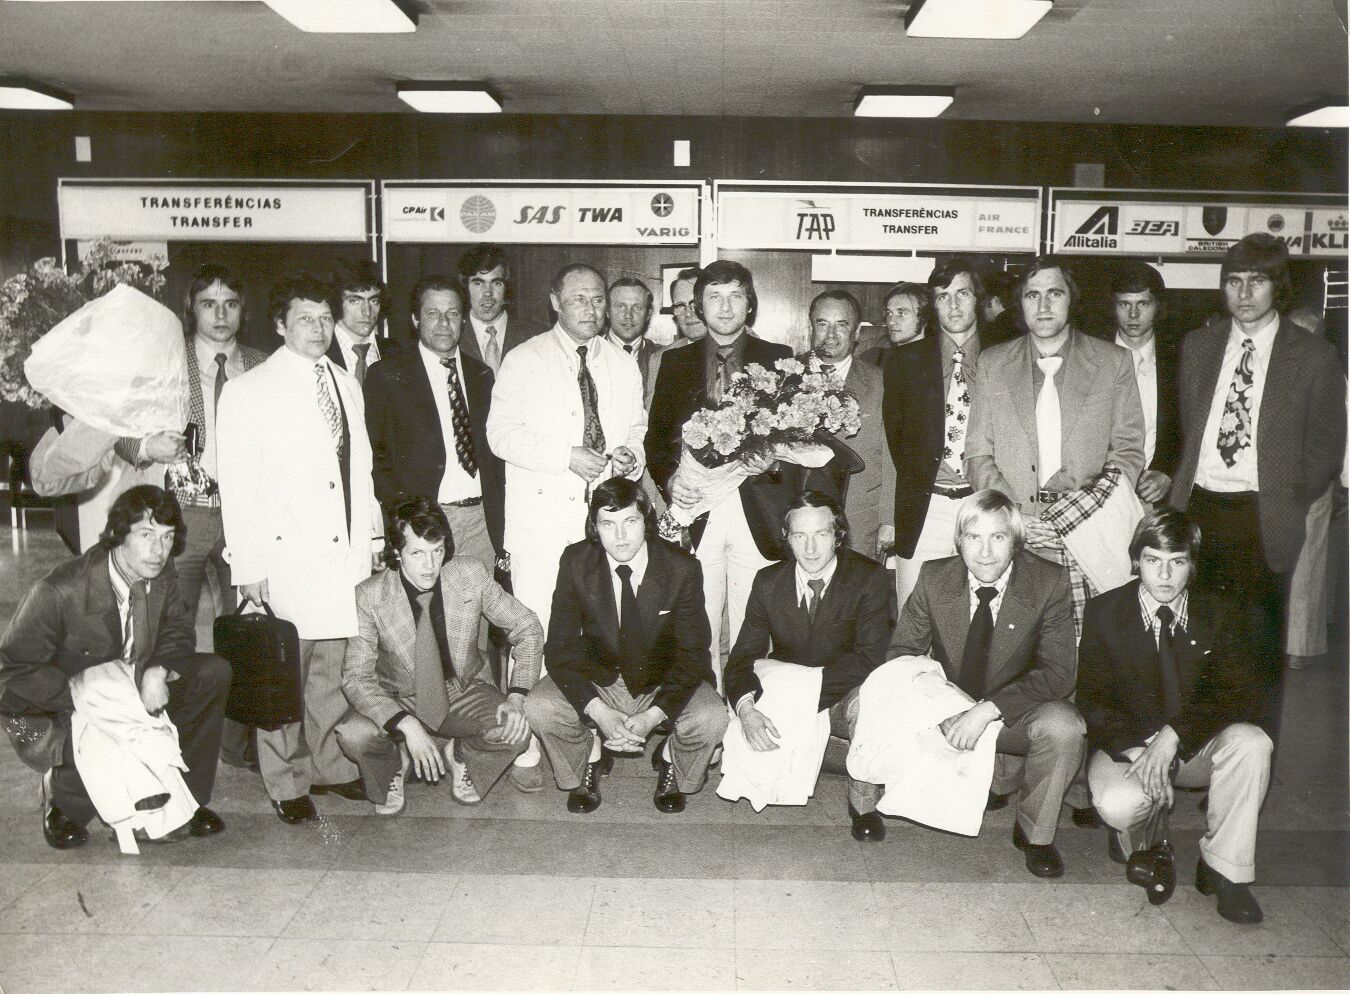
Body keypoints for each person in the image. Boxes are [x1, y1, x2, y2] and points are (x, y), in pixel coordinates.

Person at [217, 275, 384, 824]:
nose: (316, 329)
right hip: (285, 559)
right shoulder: (250, 389)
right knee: (283, 674)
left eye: (323, 319)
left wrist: (373, 540)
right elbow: (237, 485)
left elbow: (360, 473)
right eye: (304, 319)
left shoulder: (346, 382)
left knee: (332, 675)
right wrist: (248, 564)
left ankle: (330, 766)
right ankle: (285, 780)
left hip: (343, 560)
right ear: (280, 325)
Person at [1169, 234, 1345, 720]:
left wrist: (1287, 496)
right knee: (1196, 643)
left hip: (1262, 517)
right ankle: (1202, 760)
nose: (1244, 294)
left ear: (1278, 288)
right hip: (1199, 508)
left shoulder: (1312, 357)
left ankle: (1247, 768)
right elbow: (1187, 423)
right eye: (1233, 281)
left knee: (1257, 655)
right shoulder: (1199, 345)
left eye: (1257, 281)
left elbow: (1326, 449)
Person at [0, 485, 229, 848]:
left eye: (168, 537)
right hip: (50, 709)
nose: (159, 550)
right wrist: (87, 693)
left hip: (132, 688)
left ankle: (187, 800)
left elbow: (178, 630)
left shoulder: (161, 572)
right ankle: (60, 800)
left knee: (211, 673)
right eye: (146, 534)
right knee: (102, 729)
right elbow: (9, 672)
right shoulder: (59, 591)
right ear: (119, 534)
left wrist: (158, 669)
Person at [1078, 509, 1272, 923]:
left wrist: (1173, 738)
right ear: (1136, 561)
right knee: (1118, 803)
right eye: (1153, 561)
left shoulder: (1221, 611)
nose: (1164, 575)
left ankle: (1225, 870)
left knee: (1253, 742)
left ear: (1192, 564)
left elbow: (1236, 694)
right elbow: (1094, 700)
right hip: (1132, 748)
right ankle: (1139, 838)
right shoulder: (1104, 613)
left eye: (1177, 562)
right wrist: (1139, 753)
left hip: (1195, 747)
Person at [112, 265, 267, 771]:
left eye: (231, 304)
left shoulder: (263, 365)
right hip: (179, 518)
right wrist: (145, 446)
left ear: (244, 309)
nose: (221, 315)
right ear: (191, 309)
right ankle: (165, 738)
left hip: (245, 519)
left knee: (245, 631)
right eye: (208, 304)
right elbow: (120, 434)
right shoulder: (164, 362)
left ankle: (238, 744)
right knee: (165, 630)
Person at [891, 489, 1085, 878]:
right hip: (953, 709)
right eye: (973, 538)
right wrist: (943, 707)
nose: (985, 553)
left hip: (1018, 711)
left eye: (997, 537)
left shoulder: (1048, 581)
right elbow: (901, 654)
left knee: (1065, 728)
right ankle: (993, 777)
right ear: (958, 541)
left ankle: (1036, 834)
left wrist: (987, 709)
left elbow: (1060, 673)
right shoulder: (934, 577)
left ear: (1015, 541)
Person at [965, 256, 1145, 629]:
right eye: (1032, 295)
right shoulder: (992, 363)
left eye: (1054, 293)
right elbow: (978, 454)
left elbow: (1127, 452)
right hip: (1017, 536)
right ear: (1021, 303)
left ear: (1071, 300)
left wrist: (1075, 516)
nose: (1043, 305)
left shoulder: (1114, 362)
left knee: (1088, 656)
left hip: (1089, 534)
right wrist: (1015, 519)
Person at [526, 478, 723, 813]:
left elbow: (694, 654)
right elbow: (559, 648)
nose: (619, 537)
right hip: (600, 680)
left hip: (660, 680)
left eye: (630, 522)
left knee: (712, 717)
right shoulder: (576, 562)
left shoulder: (681, 568)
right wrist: (599, 713)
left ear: (646, 522)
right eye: (608, 524)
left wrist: (652, 717)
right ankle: (590, 755)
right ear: (594, 527)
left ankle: (670, 757)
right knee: (540, 706)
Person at [337, 497, 543, 814]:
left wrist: (516, 695)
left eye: (437, 551)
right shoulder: (370, 596)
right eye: (417, 553)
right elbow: (356, 677)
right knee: (353, 734)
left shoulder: (469, 574)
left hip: (461, 690)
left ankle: (461, 755)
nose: (430, 566)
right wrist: (404, 722)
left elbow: (526, 626)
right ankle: (393, 765)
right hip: (398, 696)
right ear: (397, 553)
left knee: (517, 730)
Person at [646, 261, 793, 681]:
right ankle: (703, 724)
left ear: (750, 305)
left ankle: (745, 713)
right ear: (697, 306)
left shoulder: (779, 359)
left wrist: (775, 460)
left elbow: (800, 437)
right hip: (697, 508)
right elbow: (656, 441)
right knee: (697, 625)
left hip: (757, 510)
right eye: (714, 297)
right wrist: (670, 479)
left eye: (735, 296)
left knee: (752, 626)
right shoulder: (676, 363)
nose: (725, 307)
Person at [725, 491, 892, 840]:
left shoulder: (869, 578)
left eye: (821, 534)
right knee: (752, 745)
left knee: (872, 703)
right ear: (786, 538)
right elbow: (742, 656)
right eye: (800, 536)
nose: (811, 548)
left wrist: (801, 696)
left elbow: (871, 657)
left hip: (844, 688)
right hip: (790, 685)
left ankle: (863, 804)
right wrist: (746, 709)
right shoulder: (768, 581)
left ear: (838, 534)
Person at [364, 277, 504, 588]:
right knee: (426, 625)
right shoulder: (387, 375)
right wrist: (406, 517)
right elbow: (375, 458)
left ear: (463, 321)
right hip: (424, 522)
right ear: (415, 319)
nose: (443, 323)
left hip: (482, 521)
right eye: (432, 313)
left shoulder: (482, 376)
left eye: (452, 314)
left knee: (474, 626)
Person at [884, 260, 1004, 614]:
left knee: (985, 614)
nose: (953, 306)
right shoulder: (904, 360)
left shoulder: (1006, 356)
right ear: (932, 306)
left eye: (962, 294)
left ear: (978, 300)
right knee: (915, 616)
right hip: (926, 505)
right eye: (942, 296)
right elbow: (897, 440)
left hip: (986, 503)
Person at [809, 289, 893, 562]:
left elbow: (894, 459)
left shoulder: (882, 383)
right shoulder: (784, 377)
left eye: (841, 325)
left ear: (857, 333)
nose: (830, 335)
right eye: (822, 324)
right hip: (800, 521)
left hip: (860, 521)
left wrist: (889, 519)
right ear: (811, 327)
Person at [1104, 261, 1181, 504]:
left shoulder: (1179, 361)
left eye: (1143, 303)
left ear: (1158, 307)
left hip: (1158, 495)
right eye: (1124, 304)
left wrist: (1168, 472)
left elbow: (1190, 428)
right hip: (1100, 494)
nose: (1133, 315)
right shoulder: (1092, 358)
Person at [455, 243, 547, 373]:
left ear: (507, 288)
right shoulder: (452, 335)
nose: (488, 292)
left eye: (496, 283)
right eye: (478, 283)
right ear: (465, 288)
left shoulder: (538, 336)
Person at [325, 259, 393, 383]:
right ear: (336, 302)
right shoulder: (320, 350)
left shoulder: (395, 352)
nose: (367, 311)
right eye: (355, 301)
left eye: (374, 301)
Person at [607, 276, 661, 404]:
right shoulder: (588, 353)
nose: (628, 315)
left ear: (648, 315)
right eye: (620, 306)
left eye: (637, 308)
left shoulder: (663, 357)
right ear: (607, 311)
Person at [860, 281, 929, 365]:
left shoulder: (938, 362)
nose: (891, 321)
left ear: (924, 317)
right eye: (889, 313)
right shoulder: (874, 358)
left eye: (901, 313)